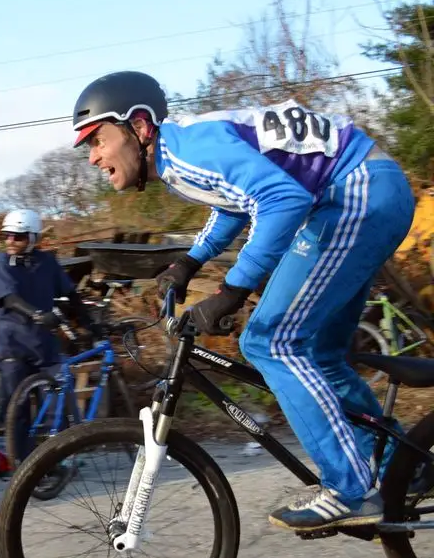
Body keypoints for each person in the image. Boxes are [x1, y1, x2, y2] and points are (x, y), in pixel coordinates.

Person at [71, 70, 418, 532]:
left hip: (356, 192)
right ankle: (404, 468)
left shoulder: (188, 151)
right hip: (373, 189)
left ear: (138, 125)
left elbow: (281, 200)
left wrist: (235, 289)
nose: (93, 157)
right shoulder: (180, 153)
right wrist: (190, 262)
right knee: (320, 354)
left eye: (97, 140)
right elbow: (234, 202)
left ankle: (351, 488)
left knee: (270, 342)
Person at [0, 208, 91, 465]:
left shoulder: (47, 263)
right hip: (13, 345)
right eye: (7, 236)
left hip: (44, 344)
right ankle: (23, 466)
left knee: (59, 400)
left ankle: (61, 457)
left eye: (18, 237)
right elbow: (9, 298)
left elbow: (71, 294)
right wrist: (36, 314)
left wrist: (89, 323)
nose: (10, 241)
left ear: (33, 238)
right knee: (18, 409)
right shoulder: (1, 265)